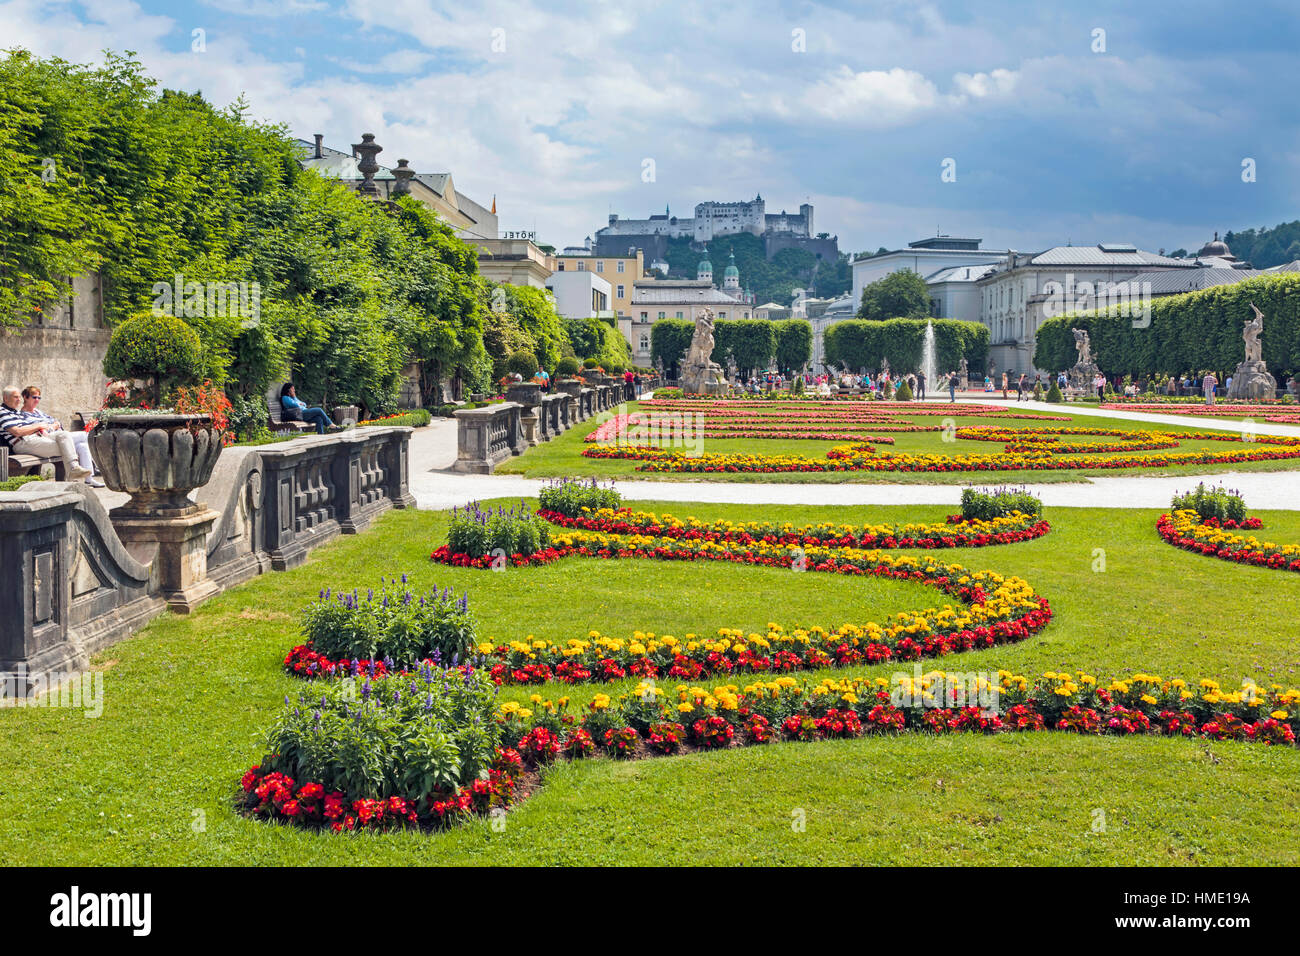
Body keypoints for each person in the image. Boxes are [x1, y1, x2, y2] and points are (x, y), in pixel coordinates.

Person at [0, 386, 93, 480]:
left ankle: (74, 468)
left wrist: (38, 427)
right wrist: (38, 426)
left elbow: (28, 427)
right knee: (70, 446)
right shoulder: (2, 412)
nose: (19, 400)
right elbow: (17, 432)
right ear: (5, 398)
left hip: (36, 438)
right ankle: (74, 471)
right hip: (22, 443)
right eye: (15, 397)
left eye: (19, 397)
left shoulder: (16, 412)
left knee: (64, 434)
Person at [18, 386, 103, 486]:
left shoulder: (38, 412)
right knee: (85, 435)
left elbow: (56, 422)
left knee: (82, 446)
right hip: (45, 438)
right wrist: (50, 427)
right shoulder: (22, 415)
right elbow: (37, 430)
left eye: (39, 398)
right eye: (34, 397)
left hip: (55, 435)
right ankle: (99, 464)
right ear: (25, 397)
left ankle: (89, 479)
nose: (37, 400)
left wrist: (52, 425)